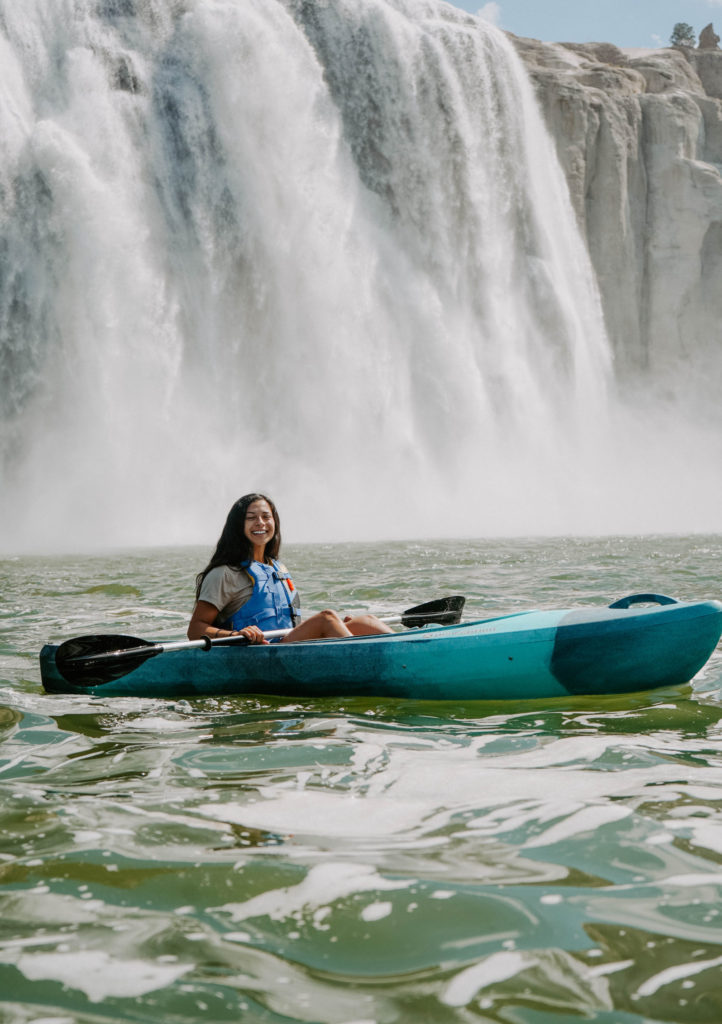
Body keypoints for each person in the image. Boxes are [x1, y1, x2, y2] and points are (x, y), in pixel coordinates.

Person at [187, 493, 394, 644]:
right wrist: (238, 635)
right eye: (251, 518)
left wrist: (336, 628)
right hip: (261, 653)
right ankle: (365, 664)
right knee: (326, 618)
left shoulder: (276, 567)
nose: (260, 523)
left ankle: (409, 653)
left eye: (266, 517)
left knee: (364, 621)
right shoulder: (224, 573)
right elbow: (195, 630)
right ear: (237, 526)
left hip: (288, 645)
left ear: (274, 522)